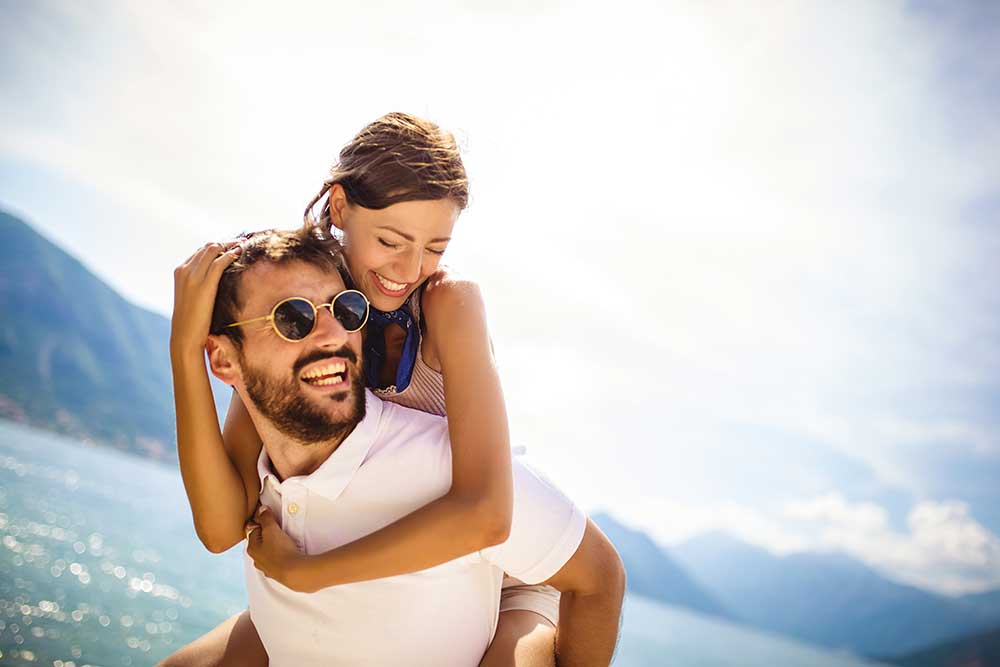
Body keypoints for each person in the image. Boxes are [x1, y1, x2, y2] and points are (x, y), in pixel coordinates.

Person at [166, 113, 596, 664]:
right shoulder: (305, 323)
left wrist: (307, 573)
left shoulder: (448, 305)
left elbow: (488, 513)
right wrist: (185, 352)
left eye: (436, 246)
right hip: (373, 570)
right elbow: (223, 526)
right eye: (391, 241)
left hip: (504, 572)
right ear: (340, 207)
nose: (411, 268)